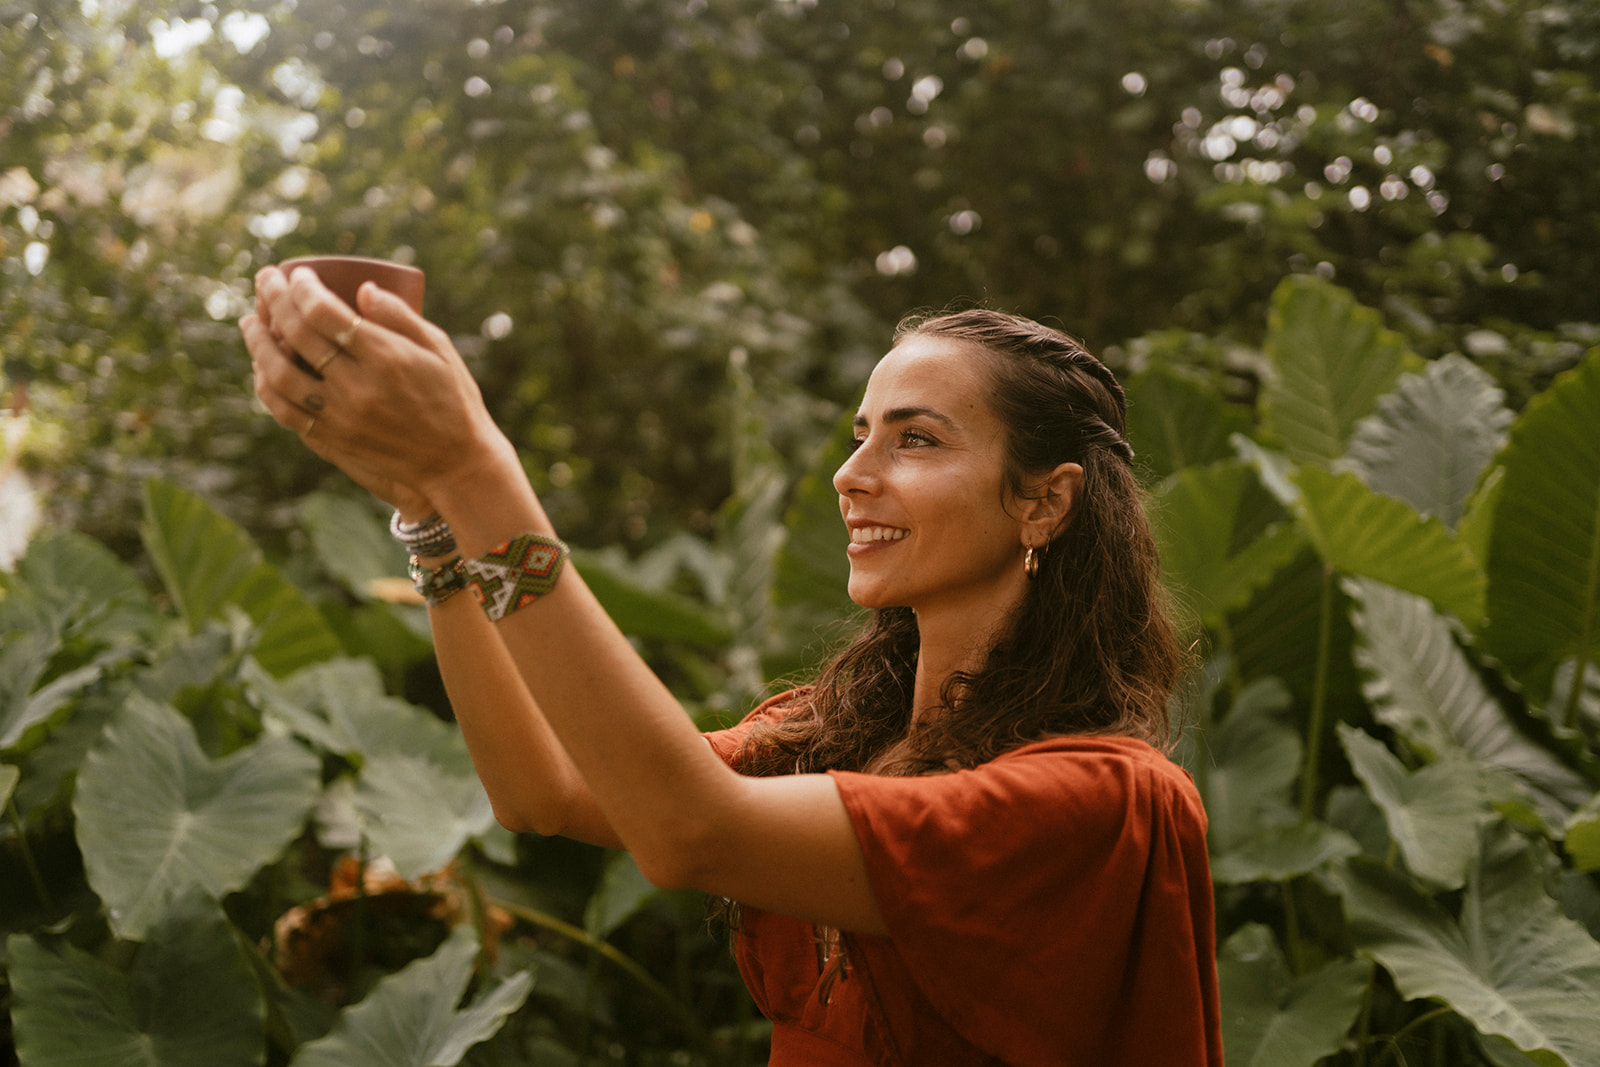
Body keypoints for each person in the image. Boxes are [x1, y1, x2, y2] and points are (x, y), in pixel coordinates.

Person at [242, 266, 1223, 1066]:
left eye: (915, 438)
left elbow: (687, 831)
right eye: (860, 434)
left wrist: (475, 469)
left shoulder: (1101, 802)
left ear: (1043, 502)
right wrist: (429, 509)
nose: (853, 472)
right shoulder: (837, 738)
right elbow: (544, 788)